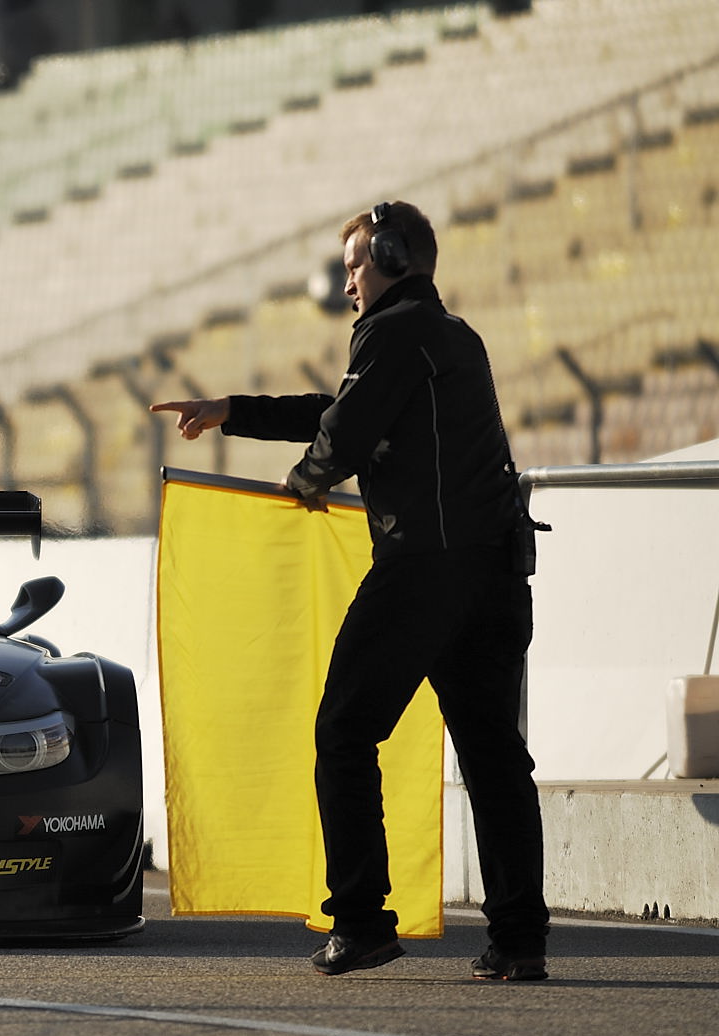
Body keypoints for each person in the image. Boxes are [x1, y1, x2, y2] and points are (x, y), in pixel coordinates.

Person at [150, 201, 550, 981]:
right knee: (495, 757)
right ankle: (519, 940)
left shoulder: (394, 331)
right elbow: (347, 408)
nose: (347, 288)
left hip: (424, 570)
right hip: (493, 572)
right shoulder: (452, 336)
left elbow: (344, 431)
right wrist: (233, 411)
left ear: (395, 258)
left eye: (355, 268)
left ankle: (362, 921)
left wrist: (305, 480)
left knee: (342, 733)